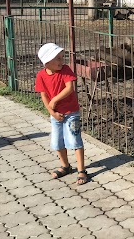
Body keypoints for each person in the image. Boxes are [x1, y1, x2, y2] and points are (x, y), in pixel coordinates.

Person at [35, 43, 88, 185]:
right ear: (47, 62)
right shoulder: (41, 75)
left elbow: (70, 88)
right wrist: (52, 112)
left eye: (61, 57)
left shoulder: (66, 70)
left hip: (71, 113)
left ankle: (81, 170)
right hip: (56, 115)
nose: (61, 61)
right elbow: (44, 96)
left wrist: (55, 100)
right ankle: (65, 166)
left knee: (75, 140)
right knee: (57, 142)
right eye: (57, 58)